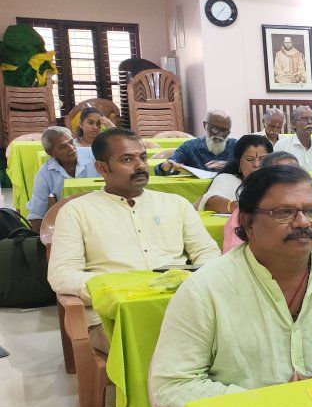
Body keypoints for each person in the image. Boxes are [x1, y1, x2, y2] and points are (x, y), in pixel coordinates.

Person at [150, 165, 312, 407]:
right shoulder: (204, 289)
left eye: (311, 211)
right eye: (283, 213)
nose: (302, 222)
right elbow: (173, 384)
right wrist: (267, 402)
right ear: (248, 223)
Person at [46, 128, 220, 349]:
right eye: (127, 159)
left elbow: (207, 252)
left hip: (183, 304)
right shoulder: (76, 211)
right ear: (102, 168)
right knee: (161, 346)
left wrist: (189, 282)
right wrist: (120, 289)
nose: (140, 166)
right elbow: (62, 275)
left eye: (143, 158)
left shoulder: (176, 204)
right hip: (114, 316)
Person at [223, 152, 312, 252]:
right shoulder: (246, 215)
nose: (303, 223)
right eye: (284, 212)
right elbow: (235, 256)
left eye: (296, 173)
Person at [26, 126, 98, 231]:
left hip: (99, 218)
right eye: (63, 147)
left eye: (72, 142)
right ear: (50, 153)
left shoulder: (95, 157)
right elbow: (37, 214)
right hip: (68, 225)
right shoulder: (45, 173)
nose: (72, 148)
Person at [197, 134, 273, 213]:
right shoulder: (227, 179)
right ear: (238, 163)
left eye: (263, 159)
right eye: (250, 159)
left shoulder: (276, 179)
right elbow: (210, 203)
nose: (256, 165)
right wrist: (239, 206)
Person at [155, 109, 236, 174]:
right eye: (215, 129)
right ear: (205, 125)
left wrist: (230, 166)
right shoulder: (190, 147)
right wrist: (165, 166)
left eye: (225, 131)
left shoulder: (236, 147)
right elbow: (160, 170)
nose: (220, 135)